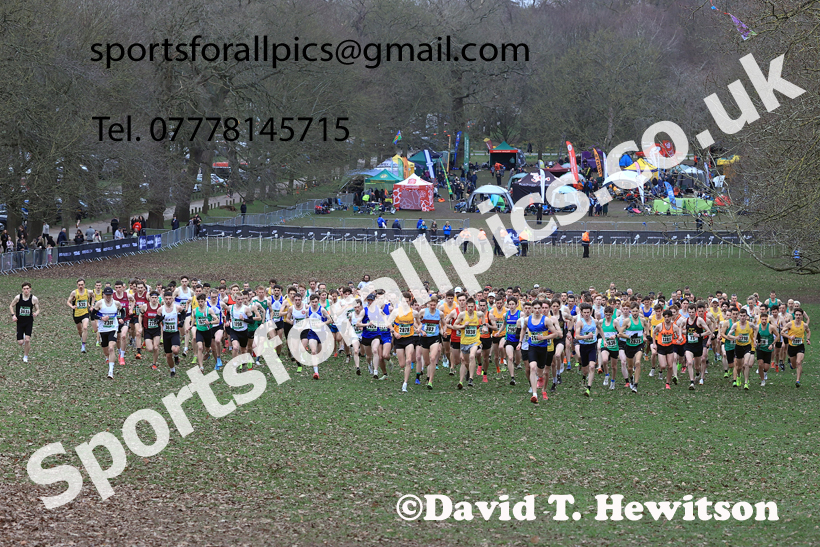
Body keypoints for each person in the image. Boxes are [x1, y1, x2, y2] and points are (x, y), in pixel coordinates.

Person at [93, 287, 123, 379]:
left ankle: (111, 371)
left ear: (112, 295)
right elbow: (92, 315)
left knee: (111, 348)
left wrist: (122, 318)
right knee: (105, 350)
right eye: (107, 295)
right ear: (103, 295)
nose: (108, 297)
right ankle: (107, 358)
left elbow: (122, 311)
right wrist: (101, 318)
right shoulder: (99, 303)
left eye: (110, 295)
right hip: (103, 330)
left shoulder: (116, 303)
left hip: (113, 328)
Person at [10, 282, 39, 363]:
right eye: (24, 289)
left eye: (27, 288)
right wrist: (13, 315)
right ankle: (22, 336)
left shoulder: (34, 299)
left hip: (29, 321)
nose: (26, 290)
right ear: (22, 289)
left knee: (27, 340)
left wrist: (36, 313)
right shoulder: (18, 297)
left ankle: (25, 356)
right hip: (20, 322)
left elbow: (38, 309)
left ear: (30, 289)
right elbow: (11, 306)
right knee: (20, 342)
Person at [66, 278, 92, 353]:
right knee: (80, 330)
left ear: (84, 285)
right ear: (77, 285)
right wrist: (72, 306)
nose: (80, 286)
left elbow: (93, 296)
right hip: (77, 314)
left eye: (82, 285)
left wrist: (92, 305)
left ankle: (83, 346)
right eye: (79, 285)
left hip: (85, 313)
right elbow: (68, 302)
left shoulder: (88, 292)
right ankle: (81, 338)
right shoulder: (74, 293)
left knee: (85, 327)